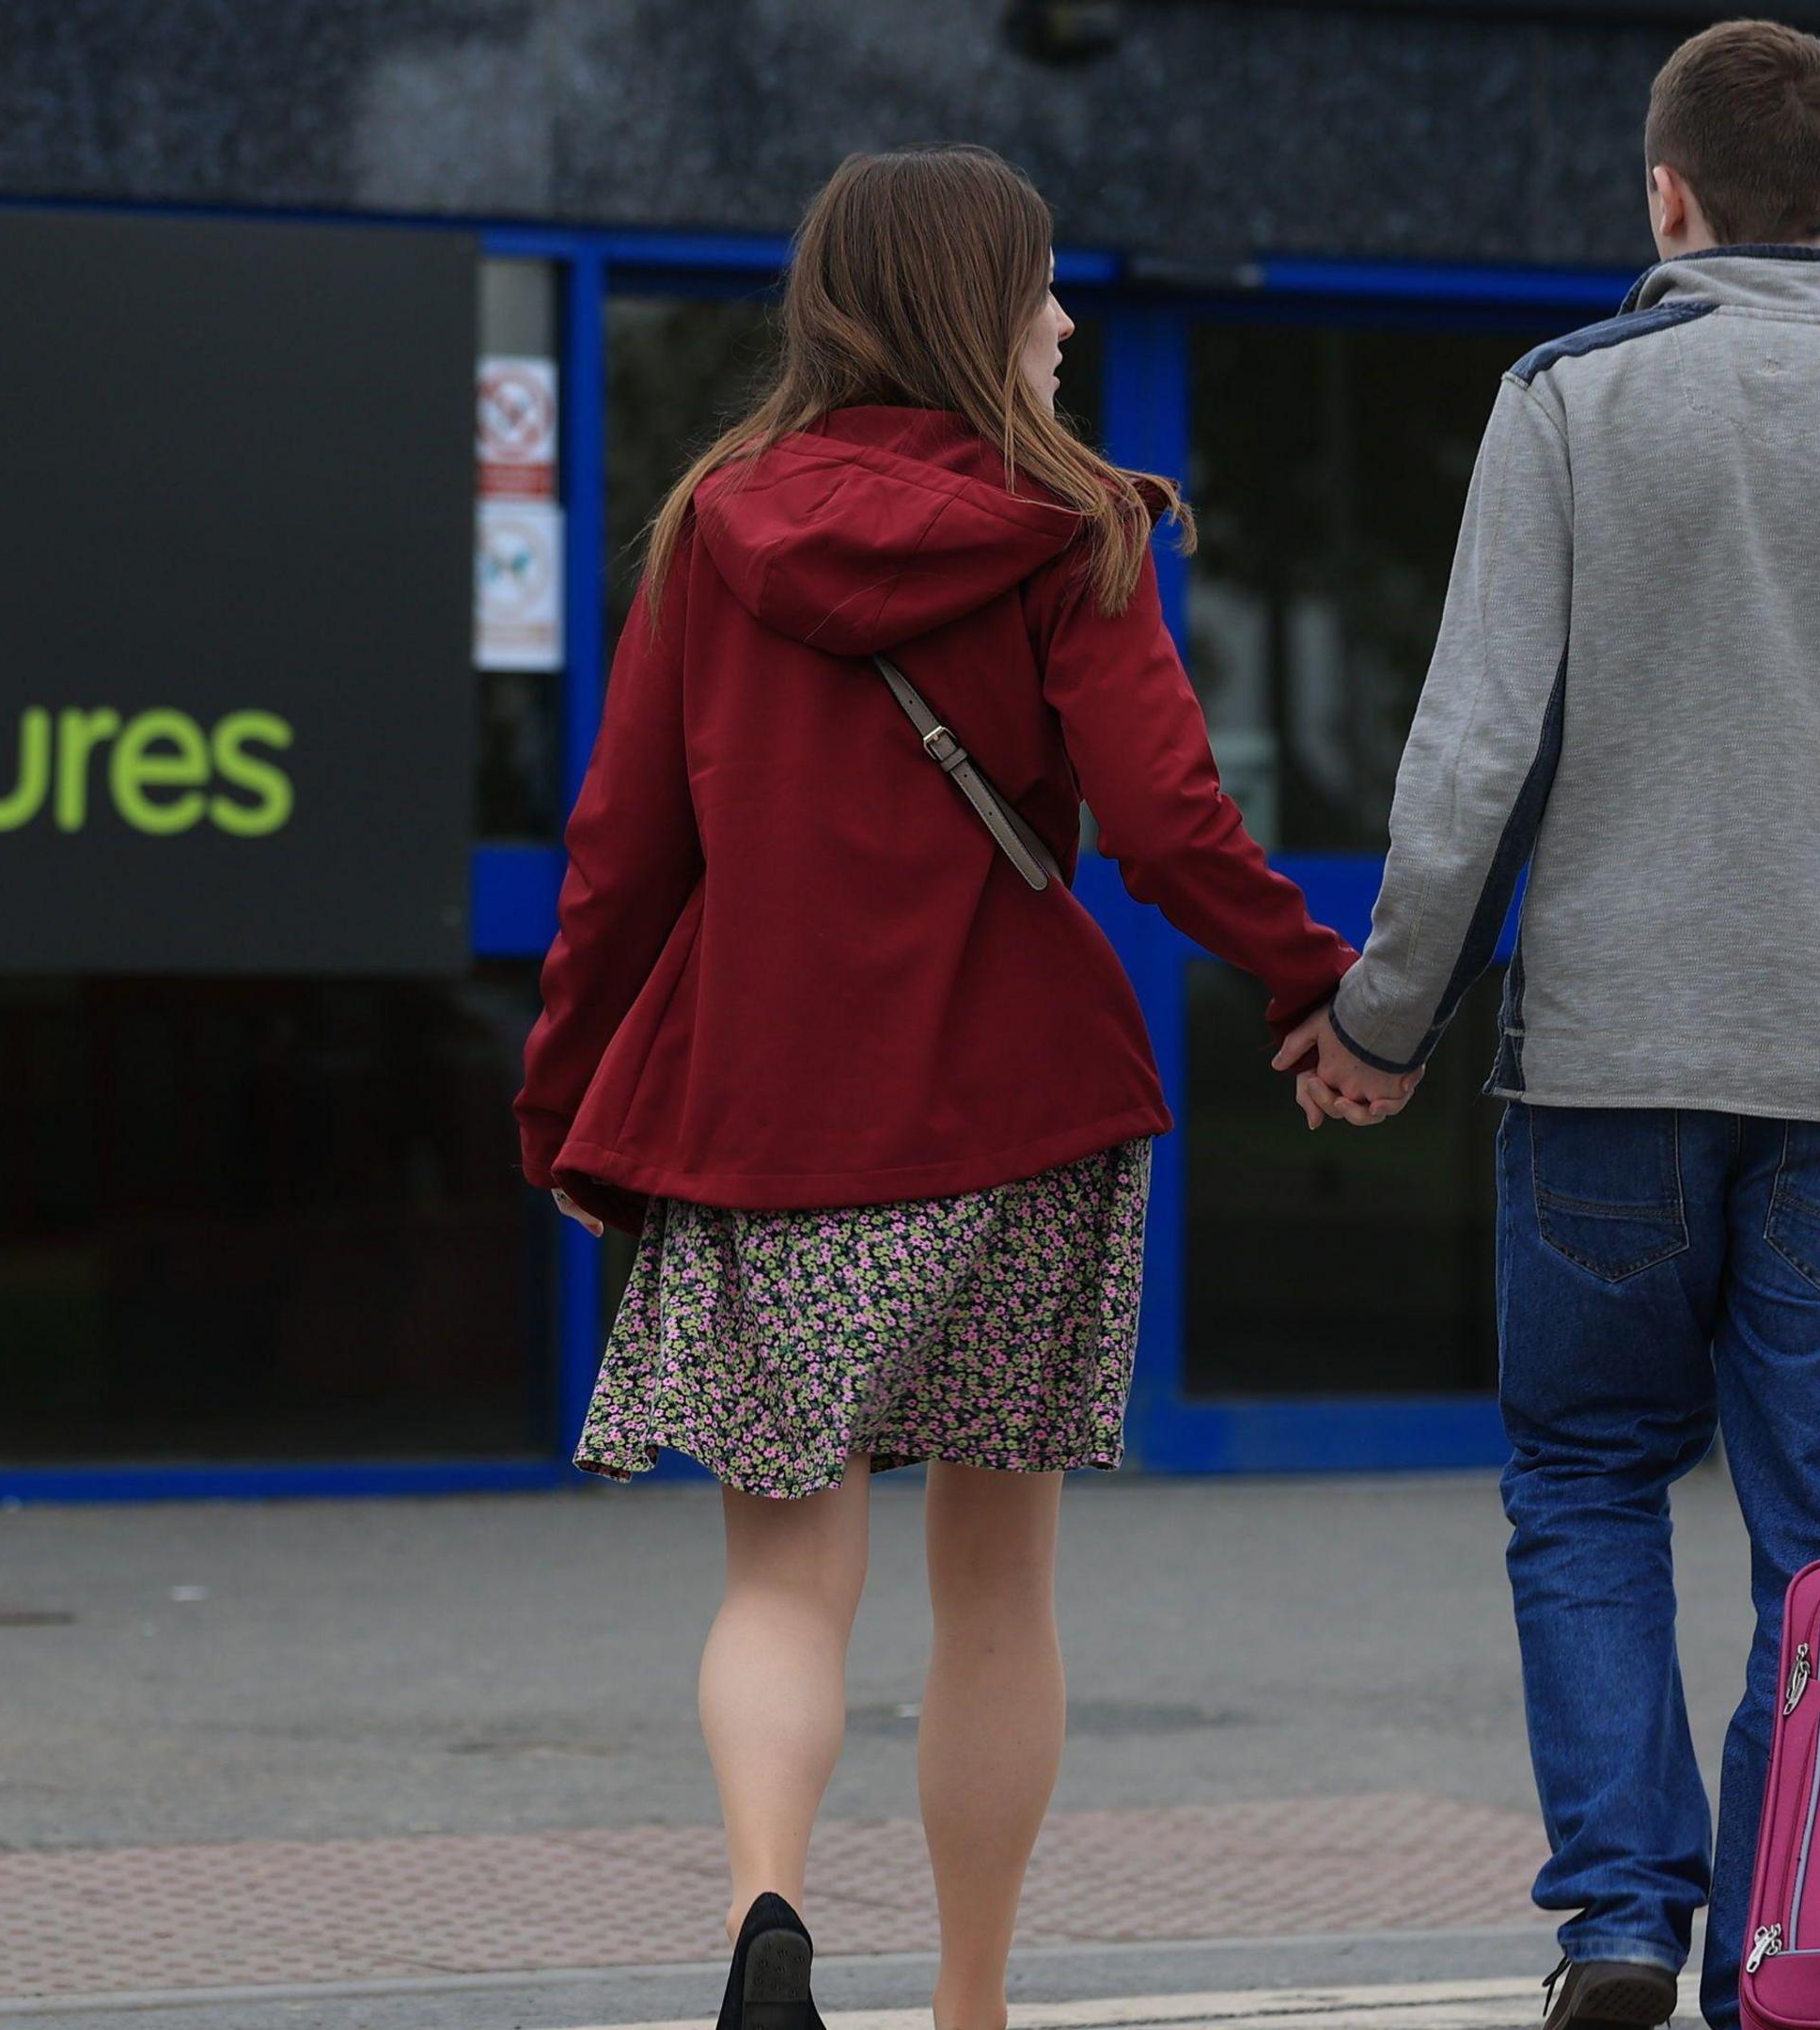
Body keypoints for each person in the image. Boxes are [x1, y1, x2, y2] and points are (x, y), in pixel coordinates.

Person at [1281, 21, 1820, 2029]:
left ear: (1660, 198)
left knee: (1582, 1484)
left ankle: (1611, 1920)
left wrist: (1381, 1018)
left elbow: (1474, 751)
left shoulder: (1564, 403)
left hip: (1601, 1076)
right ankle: (1776, 1943)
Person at [516, 144, 1354, 2030]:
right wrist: (1323, 986)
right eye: (1046, 290)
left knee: (781, 1584)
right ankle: (972, 2003)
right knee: (997, 1595)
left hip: (768, 1121)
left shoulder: (714, 527)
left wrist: (561, 1093)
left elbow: (619, 856)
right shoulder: (1078, 532)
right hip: (1022, 1119)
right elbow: (1168, 825)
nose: (1067, 326)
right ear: (977, 307)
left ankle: (763, 1914)